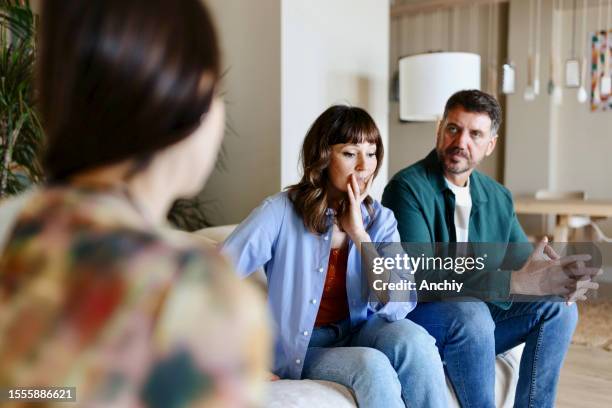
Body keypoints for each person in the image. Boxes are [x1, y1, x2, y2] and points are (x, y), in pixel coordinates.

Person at [0, 1, 270, 406]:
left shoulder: (12, 227)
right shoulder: (197, 290)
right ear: (182, 90)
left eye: (371, 153)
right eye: (216, 87)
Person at [382, 89, 599, 408]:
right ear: (440, 130)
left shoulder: (498, 197)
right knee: (473, 312)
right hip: (424, 319)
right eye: (453, 128)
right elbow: (419, 278)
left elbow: (526, 262)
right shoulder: (407, 188)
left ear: (490, 144)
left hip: (477, 323)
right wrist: (509, 283)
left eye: (475, 133)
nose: (461, 142)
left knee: (558, 307)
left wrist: (557, 276)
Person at [222, 105, 448, 408]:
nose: (364, 166)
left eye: (371, 153)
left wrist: (360, 236)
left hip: (359, 330)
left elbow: (399, 302)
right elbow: (213, 275)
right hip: (302, 346)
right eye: (350, 153)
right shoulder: (279, 212)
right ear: (324, 156)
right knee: (372, 366)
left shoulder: (381, 219)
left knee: (416, 341)